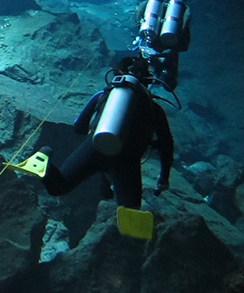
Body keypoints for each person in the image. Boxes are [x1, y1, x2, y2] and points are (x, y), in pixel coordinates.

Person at [40, 56, 174, 210]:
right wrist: (164, 177)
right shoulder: (154, 109)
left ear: (117, 73)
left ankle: (43, 158)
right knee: (130, 209)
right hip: (127, 160)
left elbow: (78, 127)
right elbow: (167, 145)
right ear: (148, 80)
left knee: (58, 187)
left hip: (95, 148)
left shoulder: (102, 95)